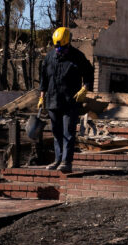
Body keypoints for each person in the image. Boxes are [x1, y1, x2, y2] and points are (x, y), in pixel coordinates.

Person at [38, 26, 93, 173]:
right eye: (57, 48)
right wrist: (41, 97)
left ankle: (66, 162)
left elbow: (89, 72)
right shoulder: (49, 58)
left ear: (68, 43)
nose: (59, 51)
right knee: (56, 132)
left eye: (62, 48)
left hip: (70, 101)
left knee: (68, 132)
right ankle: (58, 159)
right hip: (53, 101)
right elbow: (43, 78)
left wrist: (85, 88)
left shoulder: (77, 57)